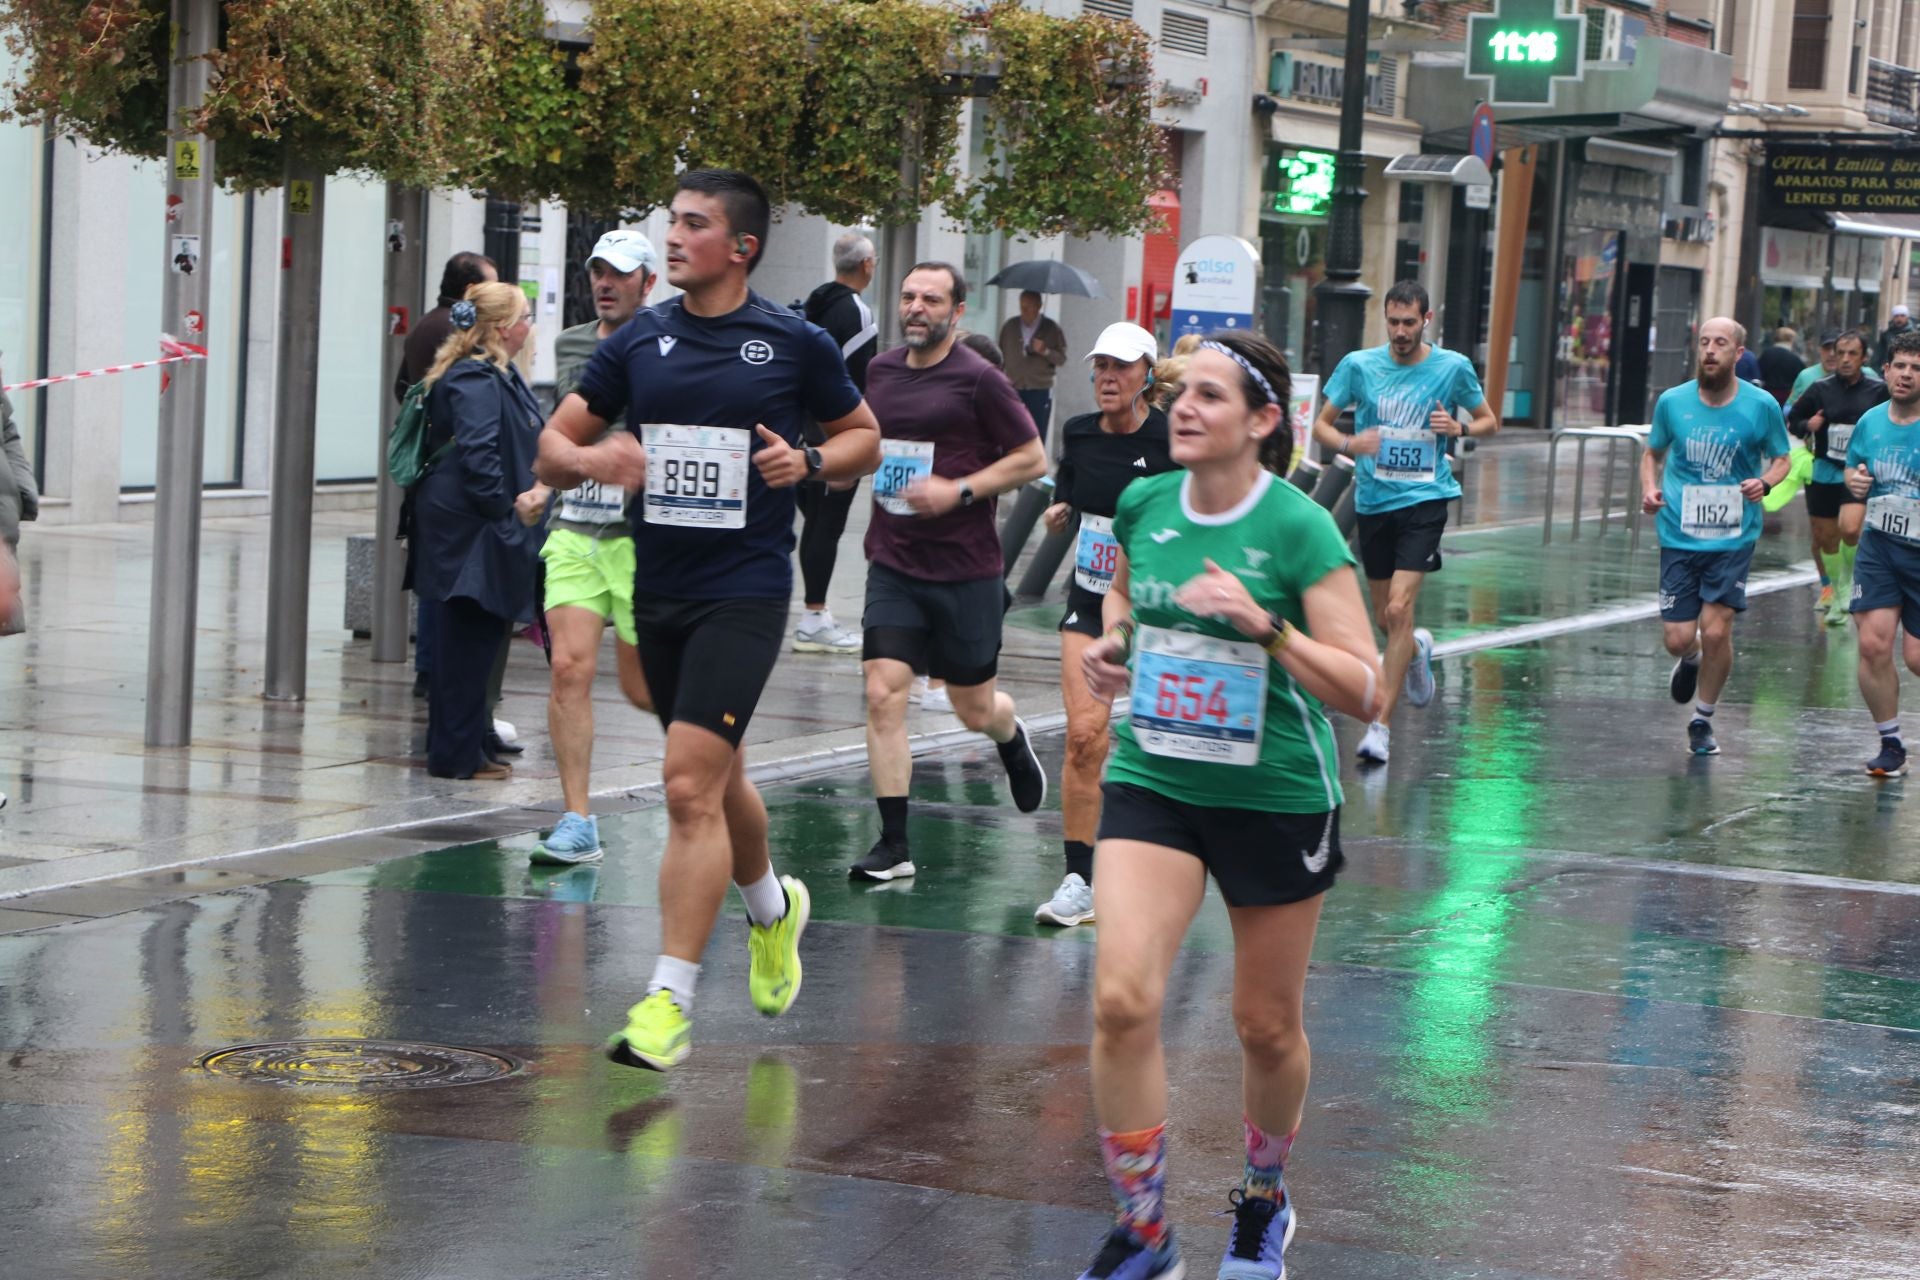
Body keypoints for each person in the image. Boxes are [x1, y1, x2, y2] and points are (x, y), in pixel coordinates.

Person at [536, 169, 881, 1071]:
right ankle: (773, 907)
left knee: (687, 784)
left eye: (693, 225)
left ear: (742, 247)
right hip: (660, 589)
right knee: (711, 765)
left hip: (746, 589)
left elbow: (863, 440)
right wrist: (595, 458)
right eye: (672, 222)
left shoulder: (794, 341)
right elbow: (552, 444)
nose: (675, 238)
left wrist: (805, 462)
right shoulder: (638, 342)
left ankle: (667, 1002)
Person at [1073, 332, 1382, 1280]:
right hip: (1156, 779)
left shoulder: (1297, 529)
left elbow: (1365, 689)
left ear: (1261, 422)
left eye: (1210, 395)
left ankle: (1262, 1199)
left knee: (1265, 1025)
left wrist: (1266, 624)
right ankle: (1147, 1230)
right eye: (1180, 393)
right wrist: (1114, 645)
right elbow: (1123, 596)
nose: (1185, 409)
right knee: (1123, 1001)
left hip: (1275, 795)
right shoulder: (1145, 500)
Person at [851, 262, 1050, 882]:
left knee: (972, 707)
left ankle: (1008, 731)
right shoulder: (878, 372)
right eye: (909, 297)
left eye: (931, 300)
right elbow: (859, 444)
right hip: (893, 561)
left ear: (957, 312)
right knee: (883, 692)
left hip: (965, 570)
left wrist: (959, 491)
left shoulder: (980, 380)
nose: (916, 308)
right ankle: (894, 844)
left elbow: (1031, 458)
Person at [1310, 280, 1496, 765]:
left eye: (1408, 323)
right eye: (1393, 322)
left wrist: (1459, 429)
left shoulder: (1451, 367)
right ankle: (1415, 649)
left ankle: (1381, 728)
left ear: (1426, 320)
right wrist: (1352, 444)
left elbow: (1489, 421)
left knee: (1398, 605)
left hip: (1426, 499)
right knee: (1385, 618)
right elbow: (1322, 426)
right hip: (1374, 501)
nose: (1399, 332)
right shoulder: (1359, 366)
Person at [1033, 322, 1179, 927]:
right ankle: (1079, 879)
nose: (1107, 378)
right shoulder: (1079, 432)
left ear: (1147, 373)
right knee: (1084, 738)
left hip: (1158, 606)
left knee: (1162, 743)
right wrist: (1060, 513)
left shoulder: (1171, 438)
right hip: (1091, 599)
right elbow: (1070, 494)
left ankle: (1167, 861)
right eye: (1100, 367)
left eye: (1120, 367)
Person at [531, 229, 660, 865]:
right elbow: (560, 429)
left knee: (642, 691)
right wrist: (541, 485)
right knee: (567, 668)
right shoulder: (571, 343)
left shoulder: (669, 346)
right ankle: (578, 819)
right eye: (598, 273)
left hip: (640, 539)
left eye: (620, 274)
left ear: (648, 283)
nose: (606, 284)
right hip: (576, 529)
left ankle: (710, 775)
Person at [410, 282, 549, 780]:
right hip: (470, 533)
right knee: (463, 647)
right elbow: (479, 454)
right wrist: (506, 512)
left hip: (475, 529)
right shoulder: (474, 379)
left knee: (473, 645)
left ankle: (466, 749)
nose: (530, 326)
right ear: (503, 328)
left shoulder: (493, 375)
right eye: (526, 317)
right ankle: (454, 756)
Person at [1641, 318, 1792, 757]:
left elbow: (1782, 459)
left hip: (1733, 536)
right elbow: (1652, 453)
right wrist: (1649, 490)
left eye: (1720, 343)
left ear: (1739, 352)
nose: (1710, 350)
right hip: (1679, 534)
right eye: (1704, 342)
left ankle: (1702, 719)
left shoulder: (1761, 405)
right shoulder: (1673, 402)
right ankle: (1689, 660)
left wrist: (1764, 483)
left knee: (1718, 629)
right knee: (1678, 636)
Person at [398, 251, 499, 701]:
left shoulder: (423, 324)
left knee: (431, 571)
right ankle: (436, 668)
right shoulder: (457, 333)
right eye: (491, 286)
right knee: (447, 578)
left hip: (430, 465)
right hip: (449, 467)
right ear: (469, 291)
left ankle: (428, 666)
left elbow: (403, 386)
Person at [793, 231, 880, 656]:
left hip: (801, 432)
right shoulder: (857, 313)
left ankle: (814, 613)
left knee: (814, 524)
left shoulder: (814, 302)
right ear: (866, 265)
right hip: (835, 436)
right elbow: (860, 384)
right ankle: (813, 617)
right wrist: (856, 448)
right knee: (826, 526)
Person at [1845, 331, 1920, 778]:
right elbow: (1856, 474)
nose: (1906, 374)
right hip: (1881, 547)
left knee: (1915, 658)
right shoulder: (1870, 422)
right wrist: (1854, 486)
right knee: (1874, 645)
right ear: (1886, 371)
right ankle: (1891, 742)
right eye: (1900, 366)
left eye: (1916, 367)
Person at [1788, 330, 1888, 626]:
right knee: (1825, 537)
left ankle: (1846, 582)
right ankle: (1835, 586)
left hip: (1858, 471)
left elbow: (1893, 417)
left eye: (1851, 354)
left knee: (1850, 528)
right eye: (1839, 353)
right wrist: (1809, 423)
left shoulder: (1877, 390)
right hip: (1825, 469)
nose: (1843, 359)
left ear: (1863, 358)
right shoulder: (1820, 388)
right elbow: (1794, 420)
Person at [999, 289, 1068, 442]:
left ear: (1039, 306)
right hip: (1013, 387)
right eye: (1022, 306)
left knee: (1036, 434)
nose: (1024, 311)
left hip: (1039, 389)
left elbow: (1061, 359)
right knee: (1010, 433)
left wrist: (1045, 351)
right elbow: (999, 355)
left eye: (1029, 306)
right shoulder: (1010, 326)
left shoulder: (1051, 328)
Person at [1757, 327, 1804, 406]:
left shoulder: (1767, 353)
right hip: (1786, 397)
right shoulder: (1795, 358)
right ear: (1791, 340)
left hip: (1766, 393)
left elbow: (1759, 372)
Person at [1878, 303, 1913, 370]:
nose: (1899, 318)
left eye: (1902, 315)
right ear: (1893, 317)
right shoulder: (1886, 335)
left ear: (1907, 317)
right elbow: (1879, 355)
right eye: (1896, 316)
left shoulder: (1914, 335)